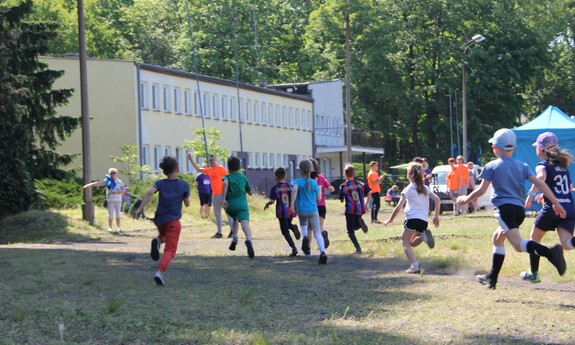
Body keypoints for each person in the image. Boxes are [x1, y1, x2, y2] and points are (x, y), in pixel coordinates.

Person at [456, 128, 567, 289]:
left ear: (494, 148)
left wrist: (464, 199)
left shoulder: (491, 166)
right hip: (519, 211)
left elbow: (480, 191)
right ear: (514, 149)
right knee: (498, 238)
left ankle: (551, 254)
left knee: (518, 245)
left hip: (504, 210)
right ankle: (492, 277)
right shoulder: (523, 165)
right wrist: (556, 202)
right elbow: (540, 183)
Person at [522, 132, 575, 283]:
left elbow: (540, 179)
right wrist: (545, 193)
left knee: (534, 238)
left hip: (553, 208)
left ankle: (534, 273)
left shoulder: (543, 165)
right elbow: (567, 186)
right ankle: (537, 270)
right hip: (569, 208)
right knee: (567, 243)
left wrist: (532, 194)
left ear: (540, 149)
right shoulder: (563, 165)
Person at [134, 156, 190, 286]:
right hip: (173, 222)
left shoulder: (160, 183)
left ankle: (158, 240)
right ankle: (160, 272)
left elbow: (150, 192)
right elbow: (187, 204)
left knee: (164, 235)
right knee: (170, 250)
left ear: (164, 172)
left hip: (160, 221)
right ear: (177, 169)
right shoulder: (183, 184)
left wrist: (139, 209)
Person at [384, 163, 441, 273]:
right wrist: (436, 217)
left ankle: (415, 266)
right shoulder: (425, 188)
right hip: (423, 221)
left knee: (405, 242)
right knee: (412, 243)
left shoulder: (408, 189)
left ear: (409, 174)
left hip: (412, 220)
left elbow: (398, 206)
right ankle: (423, 237)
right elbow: (438, 200)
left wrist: (390, 219)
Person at [187, 152, 233, 238]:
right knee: (217, 214)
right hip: (215, 194)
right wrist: (191, 160)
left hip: (223, 193)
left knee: (228, 213)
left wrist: (227, 193)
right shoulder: (209, 170)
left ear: (216, 160)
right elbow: (198, 169)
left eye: (213, 160)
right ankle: (219, 232)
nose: (212, 161)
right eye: (210, 160)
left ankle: (233, 231)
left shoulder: (221, 168)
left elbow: (227, 180)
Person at [290, 159, 328, 264]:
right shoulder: (314, 183)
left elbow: (294, 190)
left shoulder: (296, 181)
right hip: (313, 210)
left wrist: (292, 205)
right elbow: (319, 198)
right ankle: (323, 252)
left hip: (302, 210)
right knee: (317, 233)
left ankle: (305, 237)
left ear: (300, 170)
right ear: (311, 169)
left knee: (303, 225)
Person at [222, 156, 255, 258]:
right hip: (242, 206)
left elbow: (225, 183)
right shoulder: (243, 177)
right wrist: (249, 191)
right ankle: (249, 239)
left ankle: (235, 238)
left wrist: (223, 199)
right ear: (239, 167)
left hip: (230, 206)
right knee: (245, 224)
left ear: (229, 167)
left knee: (235, 219)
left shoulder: (227, 177)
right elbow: (250, 192)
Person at [264, 167, 301, 256]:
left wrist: (267, 203)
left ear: (276, 177)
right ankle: (293, 227)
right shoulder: (290, 187)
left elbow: (272, 201)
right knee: (288, 225)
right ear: (285, 176)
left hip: (281, 212)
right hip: (290, 211)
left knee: (284, 231)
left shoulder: (275, 188)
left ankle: (294, 248)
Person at [83, 168, 127, 234]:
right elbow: (98, 183)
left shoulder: (120, 182)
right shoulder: (107, 181)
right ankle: (110, 227)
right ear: (109, 174)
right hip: (110, 200)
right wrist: (89, 185)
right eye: (111, 173)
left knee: (118, 214)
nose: (113, 174)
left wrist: (118, 192)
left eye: (114, 173)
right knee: (110, 214)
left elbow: (124, 190)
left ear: (116, 174)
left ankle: (118, 227)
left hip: (118, 200)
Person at [339, 164, 369, 254]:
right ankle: (359, 223)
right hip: (360, 208)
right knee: (355, 225)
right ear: (354, 174)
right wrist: (366, 204)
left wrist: (342, 199)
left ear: (345, 174)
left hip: (350, 210)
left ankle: (358, 248)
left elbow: (341, 199)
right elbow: (369, 192)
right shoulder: (360, 184)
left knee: (350, 231)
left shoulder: (343, 186)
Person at [310, 158, 335, 248]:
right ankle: (323, 232)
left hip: (312, 206)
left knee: (313, 229)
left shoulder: (308, 180)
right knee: (319, 227)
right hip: (322, 206)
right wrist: (332, 187)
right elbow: (331, 188)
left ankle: (320, 246)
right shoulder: (321, 178)